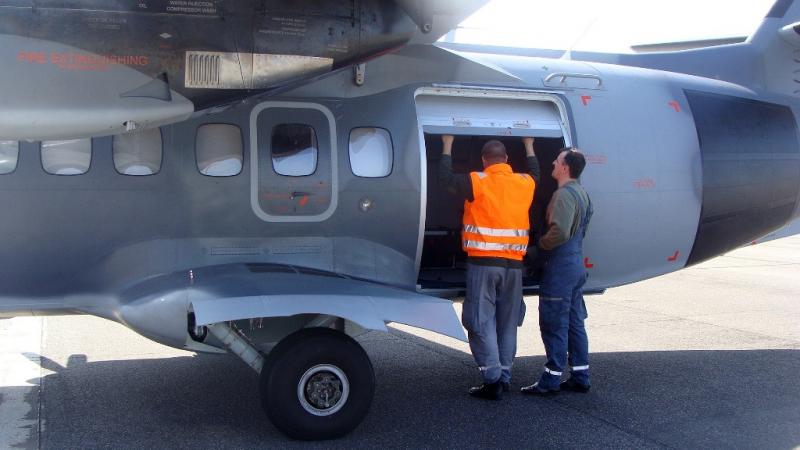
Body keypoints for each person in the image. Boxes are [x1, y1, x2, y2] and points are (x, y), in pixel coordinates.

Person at [439, 135, 539, 400]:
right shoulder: (524, 182)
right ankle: (504, 375)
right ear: (506, 159)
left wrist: (447, 143)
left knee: (480, 321)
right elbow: (536, 173)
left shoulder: (477, 180)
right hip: (514, 267)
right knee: (507, 322)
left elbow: (445, 178)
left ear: (485, 161)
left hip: (483, 264)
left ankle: (492, 379)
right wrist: (529, 145)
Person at [521, 148, 593, 396]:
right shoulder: (582, 193)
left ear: (565, 168)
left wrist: (537, 247)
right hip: (575, 265)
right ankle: (580, 375)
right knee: (574, 322)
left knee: (553, 323)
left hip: (560, 268)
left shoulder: (563, 195)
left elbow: (560, 232)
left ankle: (550, 380)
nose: (552, 162)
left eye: (557, 160)